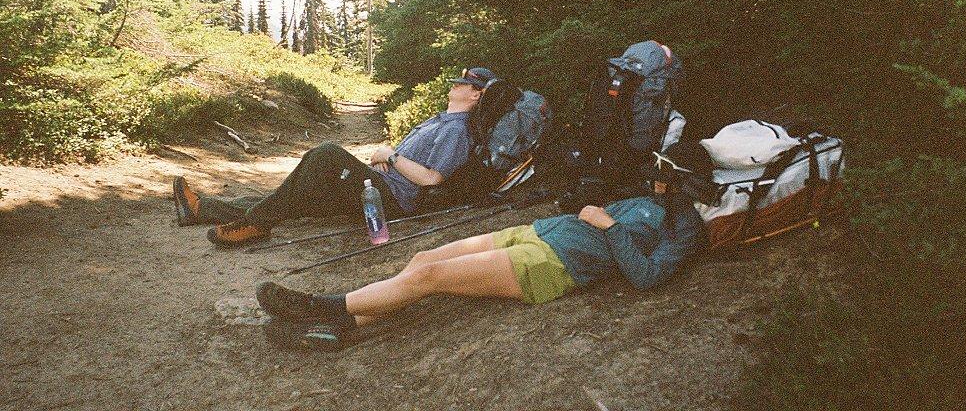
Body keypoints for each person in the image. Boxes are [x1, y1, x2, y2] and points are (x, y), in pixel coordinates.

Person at [255, 193, 705, 351]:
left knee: (429, 281)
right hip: (533, 232)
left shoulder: (684, 228)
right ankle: (339, 328)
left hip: (551, 263)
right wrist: (591, 211)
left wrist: (609, 226)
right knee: (423, 261)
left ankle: (319, 306)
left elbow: (645, 276)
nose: (661, 176)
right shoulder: (649, 197)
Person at [172, 67, 500, 248]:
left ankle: (256, 224)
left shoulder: (457, 130)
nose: (456, 84)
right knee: (296, 195)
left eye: (464, 83)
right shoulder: (442, 120)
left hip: (392, 199)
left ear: (476, 94)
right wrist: (389, 157)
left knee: (327, 154)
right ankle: (201, 209)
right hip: (382, 185)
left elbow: (432, 178)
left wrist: (391, 156)